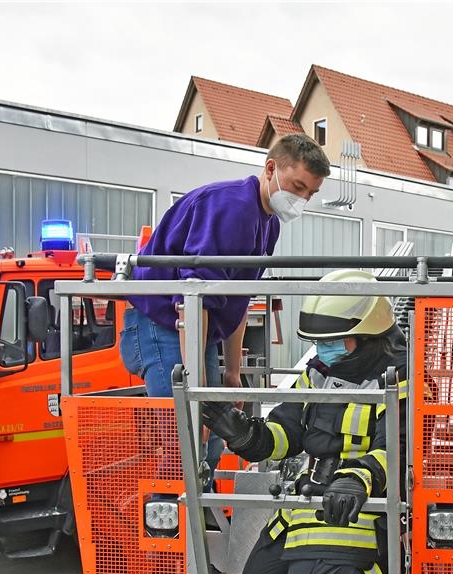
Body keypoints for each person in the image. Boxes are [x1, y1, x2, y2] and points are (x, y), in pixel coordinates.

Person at [199, 270, 407, 574]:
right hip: (307, 506)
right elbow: (287, 431)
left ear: (366, 334)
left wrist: (355, 479)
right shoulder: (319, 372)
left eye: (331, 341)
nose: (321, 351)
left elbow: (398, 446)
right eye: (317, 342)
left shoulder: (399, 377)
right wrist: (244, 433)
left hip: (357, 512)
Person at [120, 133, 330, 397]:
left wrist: (233, 372)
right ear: (270, 169)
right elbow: (193, 294)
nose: (302, 199)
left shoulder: (269, 223)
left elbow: (239, 297)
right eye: (298, 186)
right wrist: (198, 392)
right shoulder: (232, 207)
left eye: (310, 193)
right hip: (163, 322)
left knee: (210, 430)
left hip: (196, 329)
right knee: (187, 430)